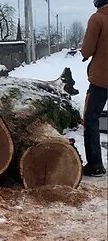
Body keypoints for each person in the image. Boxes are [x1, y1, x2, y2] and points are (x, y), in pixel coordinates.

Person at [81, 0, 108, 176]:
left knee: (91, 118)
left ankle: (95, 165)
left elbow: (87, 49)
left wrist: (84, 53)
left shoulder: (98, 18)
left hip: (102, 78)